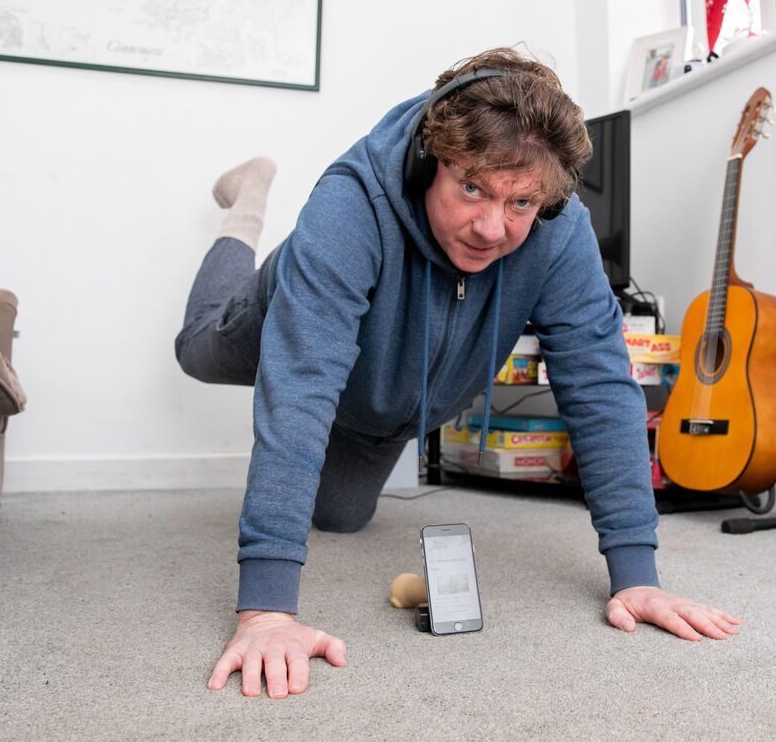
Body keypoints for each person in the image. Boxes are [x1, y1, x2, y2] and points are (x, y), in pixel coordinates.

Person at [175, 47, 742, 700]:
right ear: (428, 161)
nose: (491, 227)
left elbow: (600, 385)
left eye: (520, 202)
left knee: (339, 518)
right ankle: (247, 204)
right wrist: (267, 612)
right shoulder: (351, 204)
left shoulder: (558, 231)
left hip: (380, 407)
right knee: (195, 351)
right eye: (472, 188)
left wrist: (637, 574)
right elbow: (299, 388)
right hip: (291, 317)